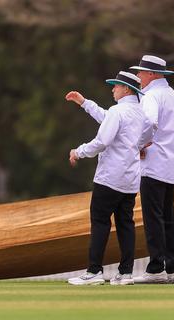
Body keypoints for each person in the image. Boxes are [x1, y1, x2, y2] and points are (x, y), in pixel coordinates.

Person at [64, 71, 147, 286]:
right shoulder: (139, 112)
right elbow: (108, 120)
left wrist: (78, 151)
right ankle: (126, 273)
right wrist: (84, 103)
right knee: (125, 224)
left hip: (110, 177)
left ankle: (94, 271)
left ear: (126, 89)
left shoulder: (117, 111)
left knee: (100, 222)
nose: (113, 89)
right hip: (130, 179)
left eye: (116, 86)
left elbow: (103, 140)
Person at [129, 55, 174, 284]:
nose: (139, 77)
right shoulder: (172, 95)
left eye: (142, 72)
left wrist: (138, 144)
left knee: (153, 218)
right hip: (171, 164)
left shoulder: (151, 95)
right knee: (168, 217)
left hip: (154, 163)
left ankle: (156, 268)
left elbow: (150, 123)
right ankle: (173, 268)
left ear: (152, 74)